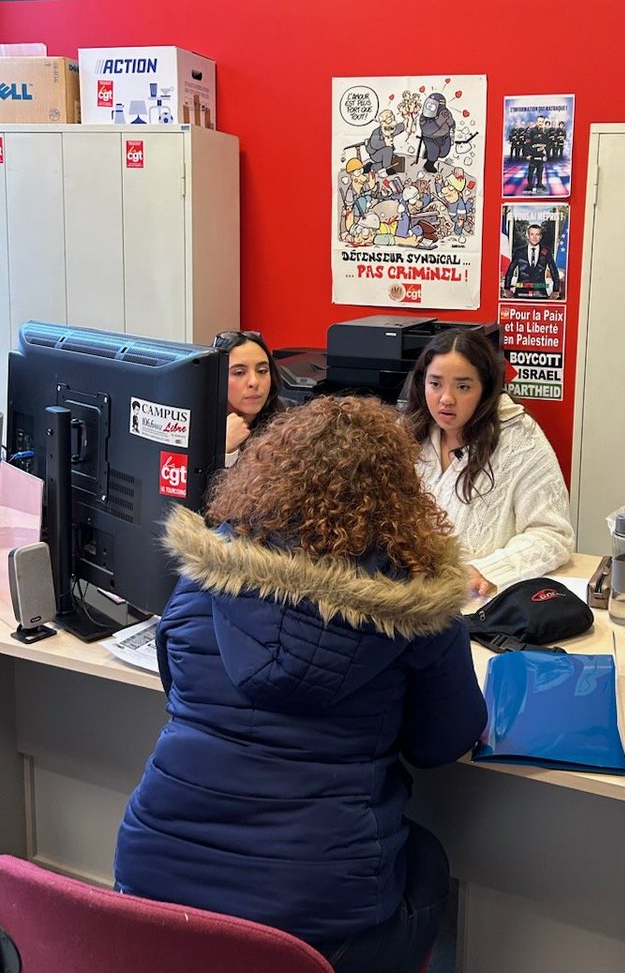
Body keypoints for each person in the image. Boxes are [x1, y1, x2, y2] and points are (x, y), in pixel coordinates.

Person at [114, 396, 486, 973]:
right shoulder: (418, 614)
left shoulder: (198, 583)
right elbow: (442, 744)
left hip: (149, 906)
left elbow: (177, 686)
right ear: (401, 496)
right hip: (314, 934)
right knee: (428, 860)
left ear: (265, 477)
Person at [403, 328, 575, 599]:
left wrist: (489, 570)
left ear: (485, 389)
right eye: (435, 384)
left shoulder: (520, 439)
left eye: (463, 387)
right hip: (408, 597)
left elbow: (553, 534)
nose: (446, 398)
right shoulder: (408, 433)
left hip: (479, 601)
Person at [212, 328, 284, 464]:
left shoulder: (289, 421)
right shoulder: (194, 427)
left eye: (262, 371)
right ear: (215, 377)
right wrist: (225, 448)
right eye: (239, 373)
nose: (254, 382)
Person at [503, 223, 561, 299]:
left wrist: (556, 290)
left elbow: (554, 272)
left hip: (540, 293)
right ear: (527, 235)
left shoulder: (546, 252)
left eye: (537, 234)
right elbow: (510, 271)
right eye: (532, 234)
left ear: (540, 236)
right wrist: (507, 288)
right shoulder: (519, 252)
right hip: (521, 293)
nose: (534, 237)